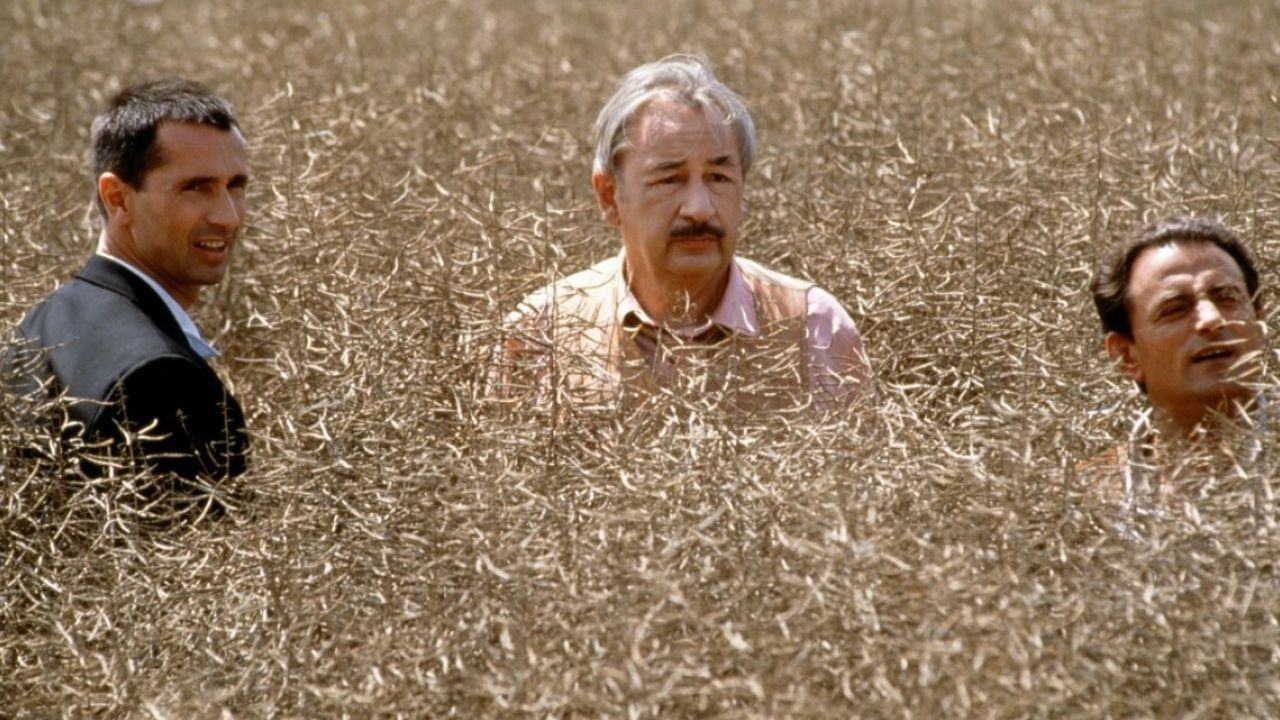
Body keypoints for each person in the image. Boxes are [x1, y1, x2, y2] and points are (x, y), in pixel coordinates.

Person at [500, 55, 872, 411]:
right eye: (669, 179)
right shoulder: (540, 333)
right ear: (609, 196)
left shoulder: (813, 329)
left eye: (718, 178)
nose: (699, 208)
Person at [4, 78, 250, 488]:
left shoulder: (42, 324)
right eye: (196, 188)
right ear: (117, 198)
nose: (229, 217)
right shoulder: (161, 379)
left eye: (236, 186)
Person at [1084, 216, 1267, 500]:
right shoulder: (1084, 500)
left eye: (1228, 298)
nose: (1212, 319)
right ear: (1125, 355)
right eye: (1174, 309)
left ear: (1260, 322)